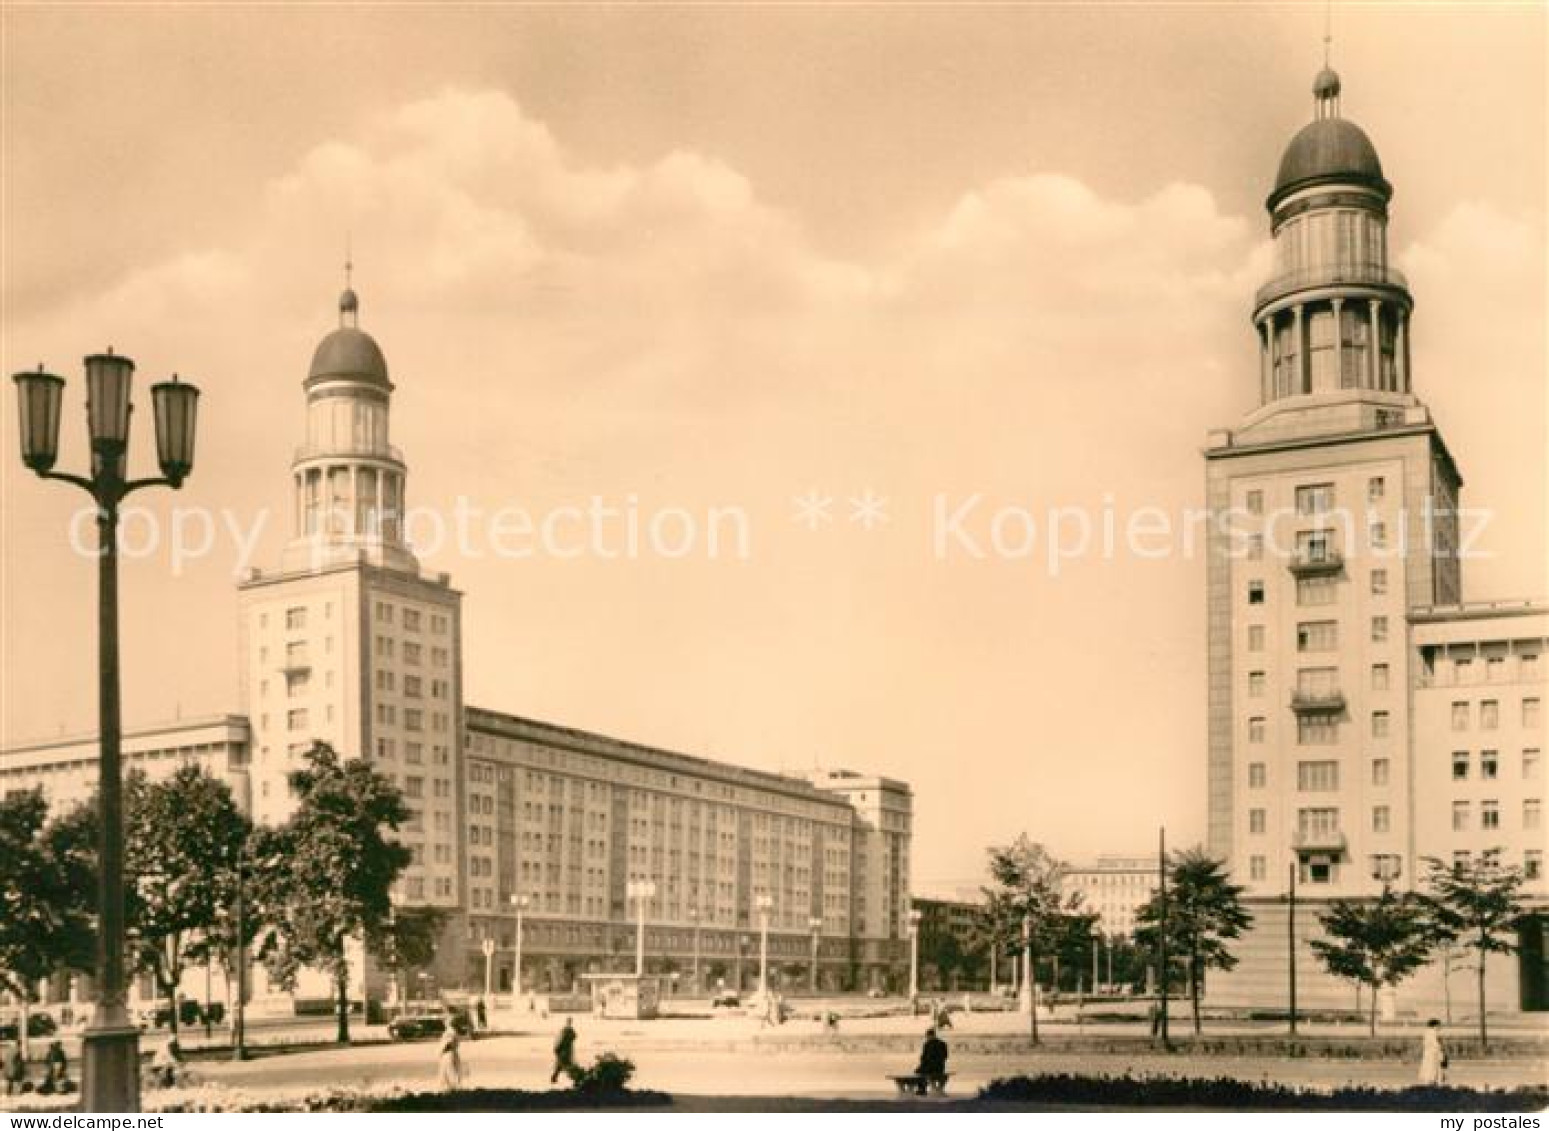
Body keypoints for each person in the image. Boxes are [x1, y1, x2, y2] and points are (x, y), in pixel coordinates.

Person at [914, 1027, 949, 1096]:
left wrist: (926, 1062)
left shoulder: (936, 1044)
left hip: (936, 1066)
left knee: (920, 1072)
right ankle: (922, 1088)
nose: (927, 1037)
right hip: (936, 1066)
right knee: (919, 1071)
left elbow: (942, 1056)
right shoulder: (937, 1044)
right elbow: (923, 1057)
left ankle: (922, 1088)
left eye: (928, 1036)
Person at [1418, 1018, 1449, 1086]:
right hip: (1433, 1055)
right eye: (1439, 1025)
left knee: (1430, 1071)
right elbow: (1436, 1045)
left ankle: (1431, 1083)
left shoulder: (1428, 1033)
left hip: (1430, 1055)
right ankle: (1434, 1084)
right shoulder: (1432, 1033)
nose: (1440, 1027)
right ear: (1435, 1025)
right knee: (1433, 1071)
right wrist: (1442, 1054)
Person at [437, 1024, 464, 1092]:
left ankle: (454, 1089)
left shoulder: (450, 1032)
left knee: (450, 1073)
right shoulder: (451, 1032)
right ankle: (453, 1088)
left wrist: (441, 1052)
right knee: (450, 1073)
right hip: (450, 1054)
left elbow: (448, 1043)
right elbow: (449, 1043)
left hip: (448, 1054)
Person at [550, 1017, 577, 1085]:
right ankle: (554, 1078)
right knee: (566, 1065)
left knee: (561, 1065)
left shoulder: (565, 1030)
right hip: (565, 1051)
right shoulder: (568, 1030)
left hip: (564, 1050)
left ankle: (554, 1078)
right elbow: (573, 1037)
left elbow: (560, 1039)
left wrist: (557, 1048)